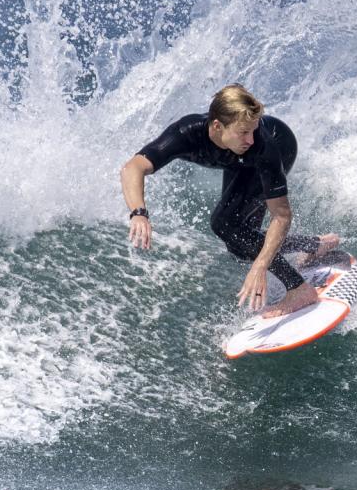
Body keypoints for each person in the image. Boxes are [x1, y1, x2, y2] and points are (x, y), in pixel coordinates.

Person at [120, 84, 339, 318]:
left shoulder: (262, 146)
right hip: (238, 164)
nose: (251, 139)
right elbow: (133, 167)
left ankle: (299, 289)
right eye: (243, 132)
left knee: (225, 224)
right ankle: (313, 245)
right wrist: (139, 213)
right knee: (239, 246)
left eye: (253, 130)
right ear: (217, 126)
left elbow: (282, 216)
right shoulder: (187, 133)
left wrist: (260, 266)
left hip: (280, 145)